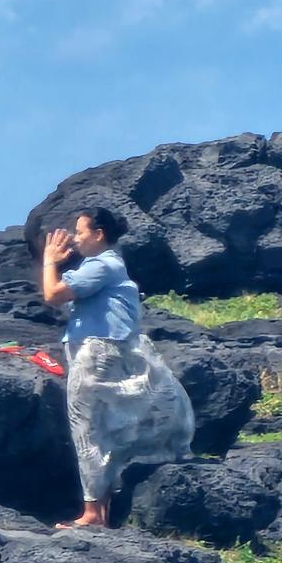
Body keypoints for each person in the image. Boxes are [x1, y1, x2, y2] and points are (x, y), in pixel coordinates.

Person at [41, 207, 195, 529]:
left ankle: (92, 514)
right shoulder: (108, 266)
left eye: (80, 232)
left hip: (95, 355)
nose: (75, 238)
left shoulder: (101, 265)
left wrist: (49, 260)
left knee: (88, 429)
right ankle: (100, 512)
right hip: (105, 352)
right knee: (108, 428)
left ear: (99, 234)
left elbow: (53, 294)